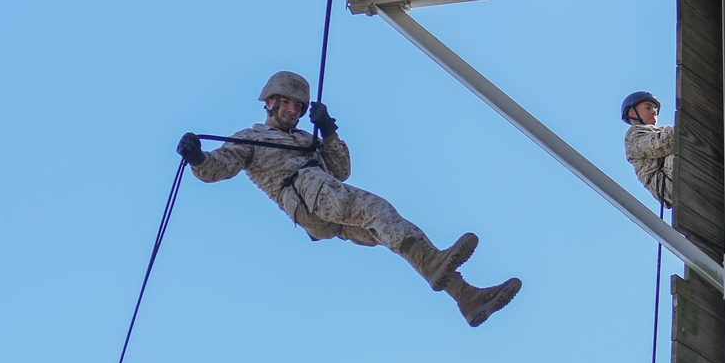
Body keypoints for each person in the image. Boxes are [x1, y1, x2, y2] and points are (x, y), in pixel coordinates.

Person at [176, 72, 521, 327]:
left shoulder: (304, 137)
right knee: (379, 210)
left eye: (299, 106)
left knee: (394, 229)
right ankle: (436, 266)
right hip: (308, 197)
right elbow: (217, 169)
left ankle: (465, 297)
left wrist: (328, 131)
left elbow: (341, 171)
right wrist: (197, 158)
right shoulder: (251, 138)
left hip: (326, 207)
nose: (293, 111)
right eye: (287, 103)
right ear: (270, 102)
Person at [621, 91, 674, 208]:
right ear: (632, 113)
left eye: (655, 109)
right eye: (648, 107)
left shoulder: (659, 131)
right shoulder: (634, 136)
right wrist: (679, 129)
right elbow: (663, 144)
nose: (654, 111)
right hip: (665, 184)